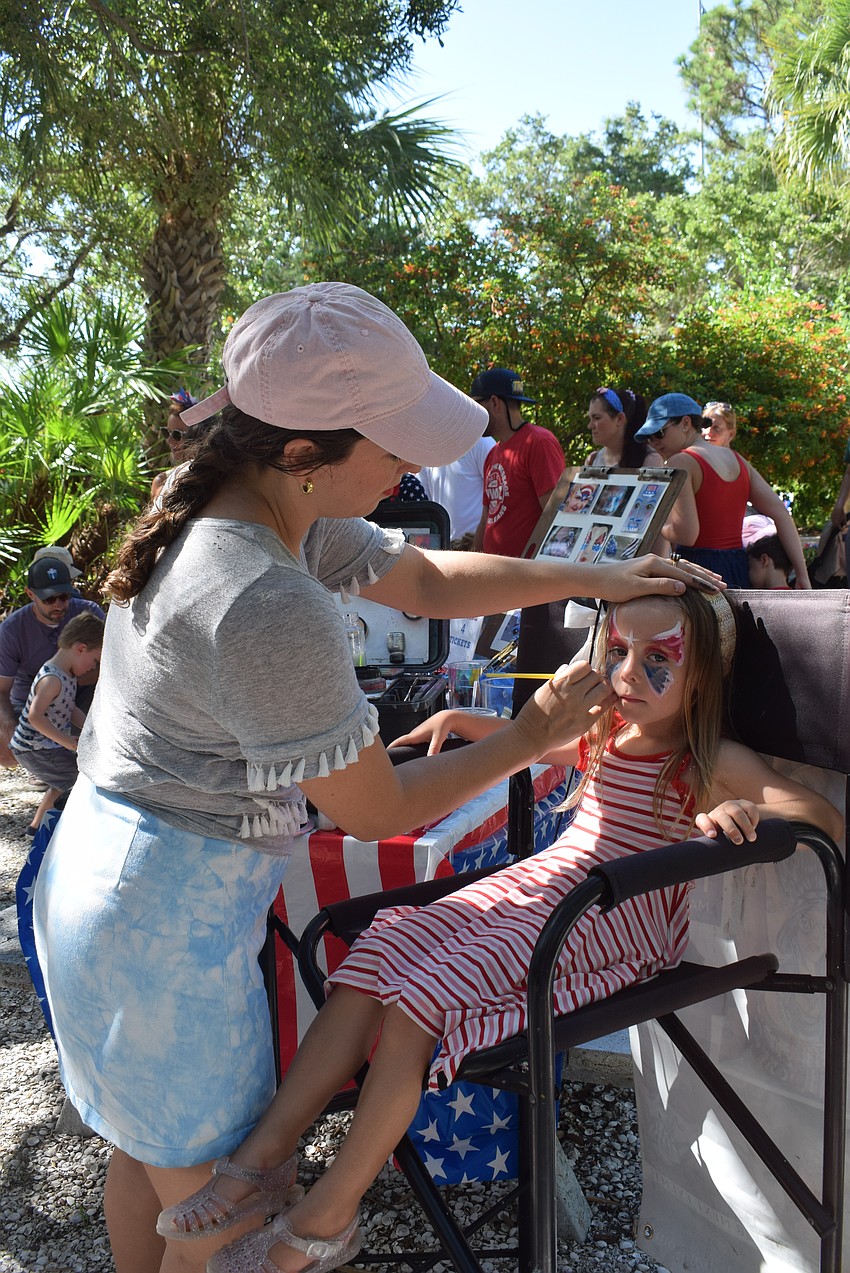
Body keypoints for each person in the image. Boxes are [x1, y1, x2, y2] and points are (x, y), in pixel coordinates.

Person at [31, 282, 722, 1273]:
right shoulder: (267, 593)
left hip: (101, 887)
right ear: (309, 451)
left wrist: (598, 576)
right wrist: (535, 730)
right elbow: (377, 808)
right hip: (161, 928)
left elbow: (428, 580)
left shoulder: (248, 501)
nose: (415, 466)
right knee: (223, 1230)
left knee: (152, 1157)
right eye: (395, 449)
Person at [157, 587, 841, 1273]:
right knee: (381, 948)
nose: (628, 674)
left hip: (608, 916)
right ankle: (265, 1157)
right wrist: (462, 718)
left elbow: (822, 816)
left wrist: (740, 813)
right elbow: (541, 741)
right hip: (546, 889)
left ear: (702, 676)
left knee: (420, 1000)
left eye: (658, 658)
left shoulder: (706, 759)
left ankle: (328, 1214)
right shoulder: (610, 731)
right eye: (619, 651)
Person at [636, 393, 811, 590]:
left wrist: (649, 516)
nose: (654, 442)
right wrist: (802, 576)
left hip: (698, 573)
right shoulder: (737, 460)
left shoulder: (680, 462)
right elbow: (781, 514)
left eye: (659, 433)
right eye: (648, 438)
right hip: (738, 568)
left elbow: (686, 535)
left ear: (685, 424)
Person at [0, 552, 105, 768]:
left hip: (80, 693)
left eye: (64, 596)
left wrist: (67, 681)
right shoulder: (11, 630)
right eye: (49, 599)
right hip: (29, 701)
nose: (58, 605)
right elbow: (2, 690)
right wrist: (7, 726)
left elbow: (109, 666)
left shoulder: (88, 613)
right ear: (30, 594)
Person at [10, 612, 104, 831]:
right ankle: (58, 830)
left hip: (44, 746)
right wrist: (68, 742)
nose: (93, 667)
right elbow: (35, 716)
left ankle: (36, 829)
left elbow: (70, 709)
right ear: (80, 648)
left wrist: (92, 729)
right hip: (33, 748)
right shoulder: (52, 678)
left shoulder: (67, 675)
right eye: (95, 661)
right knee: (77, 778)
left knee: (59, 782)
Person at [471, 367, 565, 557]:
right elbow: (486, 518)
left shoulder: (539, 443)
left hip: (527, 577)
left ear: (494, 402)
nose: (473, 415)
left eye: (476, 406)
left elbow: (555, 514)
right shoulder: (494, 452)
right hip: (496, 575)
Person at [418, 434, 496, 548]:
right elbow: (427, 504)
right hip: (444, 549)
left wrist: (478, 541)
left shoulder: (481, 441)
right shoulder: (425, 450)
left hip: (479, 547)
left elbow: (499, 497)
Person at [587, 387, 661, 467]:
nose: (590, 426)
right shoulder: (592, 460)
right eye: (590, 419)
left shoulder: (650, 459)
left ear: (619, 419)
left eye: (597, 418)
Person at [150, 388, 199, 501]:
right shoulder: (161, 481)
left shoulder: (218, 476)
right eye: (166, 432)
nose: (169, 441)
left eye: (177, 434)